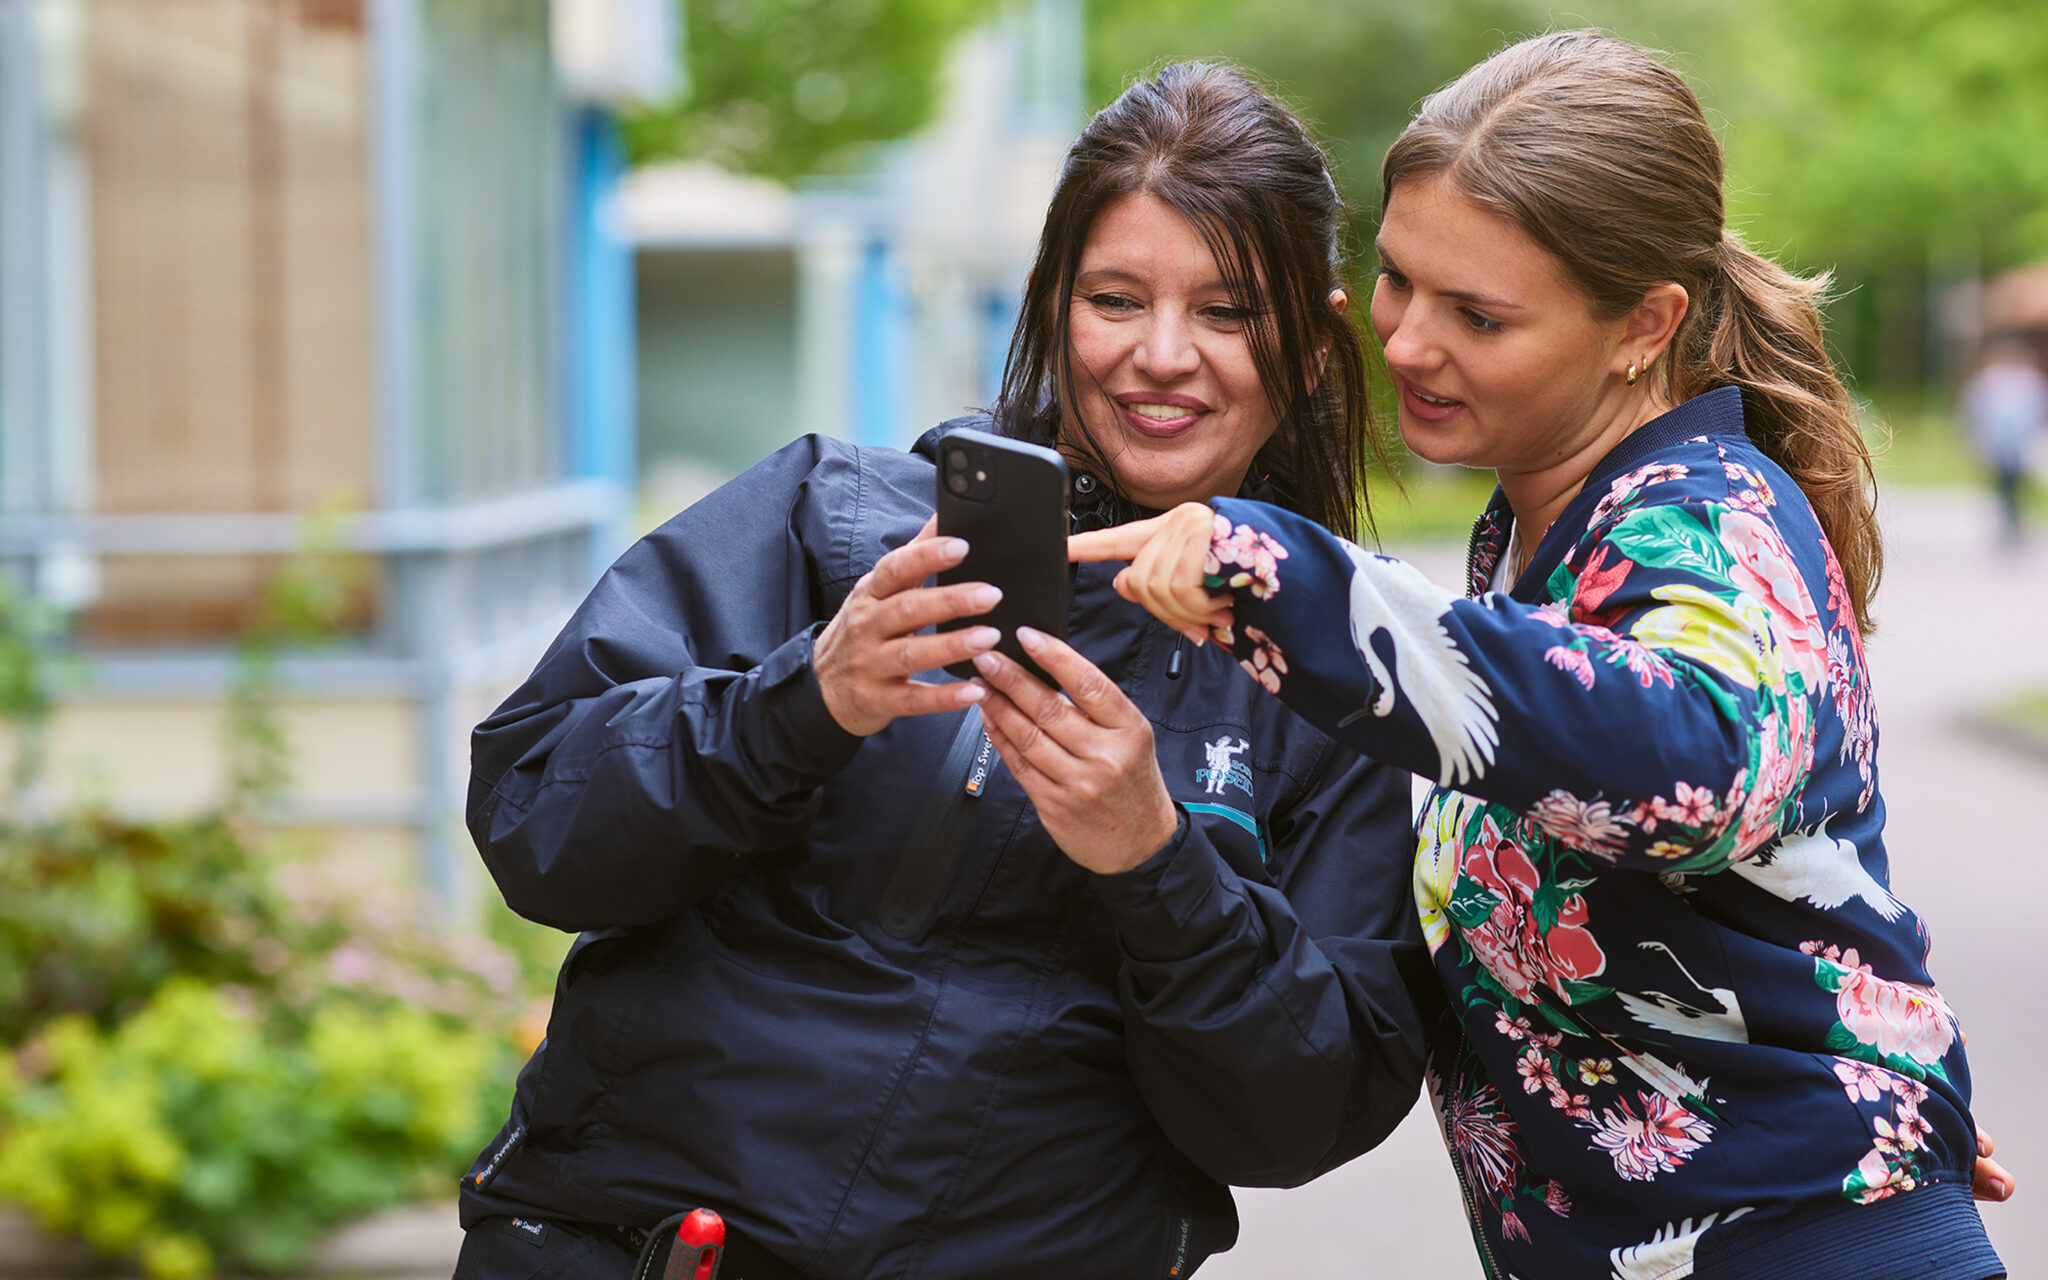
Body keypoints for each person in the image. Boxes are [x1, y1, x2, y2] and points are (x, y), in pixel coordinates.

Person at [451, 62, 1437, 1280]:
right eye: (1114, 298)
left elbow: (1301, 1118)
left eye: (1228, 311)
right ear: (1049, 302)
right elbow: (532, 823)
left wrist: (1156, 862)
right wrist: (799, 703)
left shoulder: (1326, 683)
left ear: (1313, 344)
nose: (1161, 355)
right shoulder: (833, 520)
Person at [1070, 31, 2010, 1280]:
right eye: (1397, 280)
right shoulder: (1533, 539)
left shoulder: (1704, 522)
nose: (1405, 343)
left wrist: (1291, 580)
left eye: (1477, 314)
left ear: (1642, 325)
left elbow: (1691, 755)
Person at [1957, 337, 2048, 548]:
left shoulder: (2028, 381)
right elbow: (1974, 412)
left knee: (2014, 484)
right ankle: (2010, 522)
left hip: (2019, 445)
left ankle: (2014, 522)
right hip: (1998, 445)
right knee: (2005, 484)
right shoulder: (1990, 381)